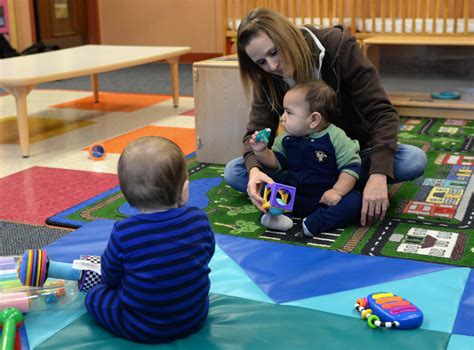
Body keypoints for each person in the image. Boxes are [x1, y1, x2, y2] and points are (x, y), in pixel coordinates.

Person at [224, 8, 427, 227]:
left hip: (353, 154)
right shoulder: (267, 77)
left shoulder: (338, 46)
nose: (273, 66)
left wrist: (378, 174)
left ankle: (338, 186)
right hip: (303, 162)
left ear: (288, 36)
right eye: (261, 62)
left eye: (274, 52)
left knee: (412, 160)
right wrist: (254, 170)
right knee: (236, 172)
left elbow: (382, 113)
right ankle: (344, 189)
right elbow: (254, 131)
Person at [85, 136, 215, 344]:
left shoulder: (124, 232)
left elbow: (109, 275)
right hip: (194, 316)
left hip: (141, 326)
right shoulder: (199, 219)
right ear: (185, 191)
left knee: (95, 296)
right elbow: (206, 255)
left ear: (126, 195)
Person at [251, 80, 361, 235]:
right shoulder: (286, 138)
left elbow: (351, 167)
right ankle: (276, 216)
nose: (283, 118)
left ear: (314, 120)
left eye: (289, 112)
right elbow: (276, 163)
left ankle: (316, 223)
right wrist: (261, 151)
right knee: (270, 178)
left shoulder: (336, 137)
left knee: (355, 201)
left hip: (324, 199)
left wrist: (337, 191)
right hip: (293, 195)